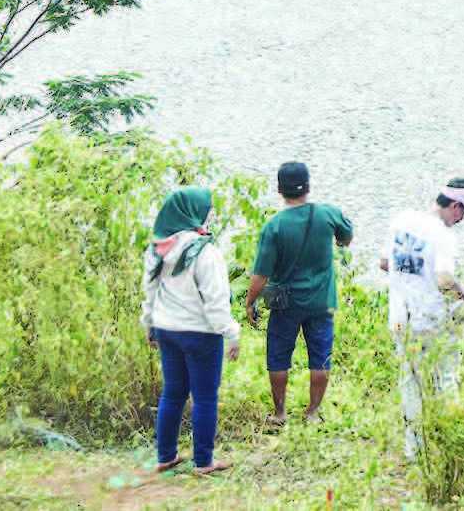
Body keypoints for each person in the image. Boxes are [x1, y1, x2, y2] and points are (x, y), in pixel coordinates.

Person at [243, 162, 354, 424]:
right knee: (320, 356)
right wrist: (338, 240)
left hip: (285, 303)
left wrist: (250, 302)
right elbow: (347, 237)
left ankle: (280, 413)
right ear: (309, 186)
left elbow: (261, 274)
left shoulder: (275, 226)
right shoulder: (328, 214)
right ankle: (313, 413)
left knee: (279, 356)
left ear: (280, 189)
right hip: (321, 301)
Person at [379, 177, 464, 459]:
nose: (462, 219)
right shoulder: (443, 235)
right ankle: (449, 441)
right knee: (446, 377)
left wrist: (409, 281)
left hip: (400, 318)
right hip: (431, 320)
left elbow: (385, 263)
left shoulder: (401, 220)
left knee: (409, 380)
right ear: (455, 206)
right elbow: (445, 278)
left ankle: (414, 448)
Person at [142, 188, 241, 475]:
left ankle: (165, 456)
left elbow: (149, 292)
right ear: (193, 213)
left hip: (166, 329)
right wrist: (231, 333)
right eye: (206, 210)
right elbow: (216, 301)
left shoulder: (158, 248)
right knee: (205, 396)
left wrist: (149, 325)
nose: (208, 214)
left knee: (173, 393)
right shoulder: (206, 252)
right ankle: (203, 461)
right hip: (200, 333)